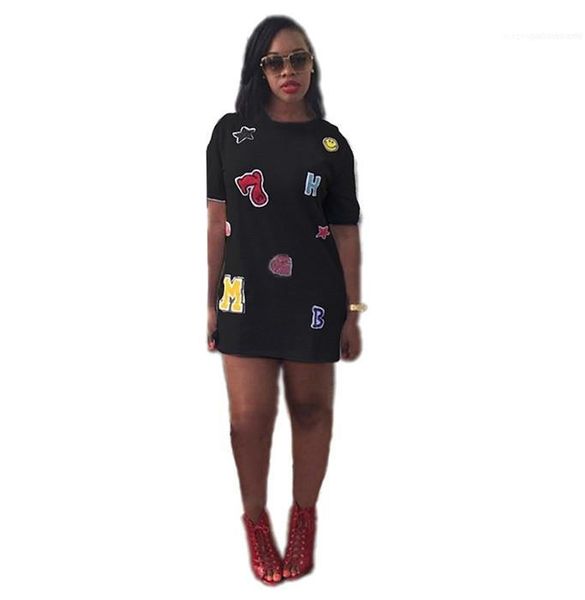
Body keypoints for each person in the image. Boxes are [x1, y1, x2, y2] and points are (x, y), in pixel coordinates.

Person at [206, 15, 367, 585]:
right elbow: (217, 222)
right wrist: (210, 303)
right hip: (244, 295)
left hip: (314, 299)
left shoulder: (331, 143)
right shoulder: (230, 134)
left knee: (311, 410)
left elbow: (345, 232)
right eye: (274, 62)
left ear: (311, 65)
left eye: (297, 58)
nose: (287, 71)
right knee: (248, 420)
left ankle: (303, 517)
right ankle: (255, 521)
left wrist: (352, 312)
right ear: (259, 70)